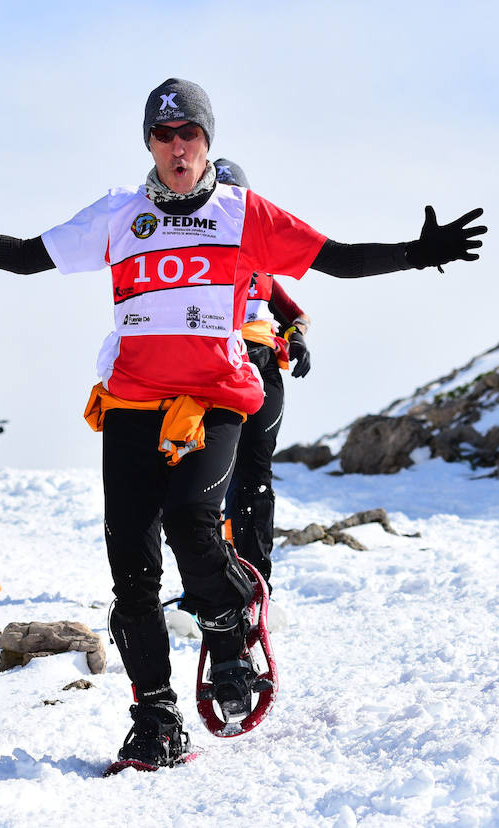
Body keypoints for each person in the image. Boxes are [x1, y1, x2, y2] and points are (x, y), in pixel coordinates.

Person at [0, 77, 485, 766]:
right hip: (131, 406)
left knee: (194, 525)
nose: (177, 146)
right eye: (163, 135)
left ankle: (229, 629)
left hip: (215, 398)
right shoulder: (118, 214)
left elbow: (333, 261)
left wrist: (416, 251)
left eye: (189, 133)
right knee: (131, 569)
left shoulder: (242, 213)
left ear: (207, 141)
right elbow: (24, 257)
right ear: (150, 144)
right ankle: (155, 716)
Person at [212, 158, 310, 597]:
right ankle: (207, 580)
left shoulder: (262, 268)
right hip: (213, 370)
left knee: (255, 477)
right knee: (207, 477)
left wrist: (299, 338)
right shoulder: (195, 254)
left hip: (263, 368)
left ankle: (256, 583)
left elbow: (297, 314)